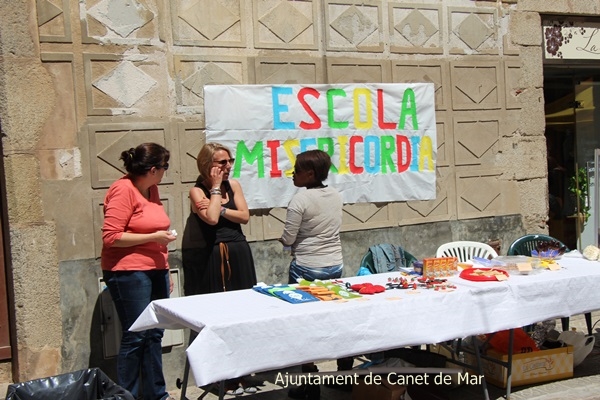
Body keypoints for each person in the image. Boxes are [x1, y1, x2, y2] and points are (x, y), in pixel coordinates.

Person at [101, 142, 176, 400]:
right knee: (136, 336)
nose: (166, 171)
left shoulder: (150, 189)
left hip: (155, 270)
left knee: (155, 334)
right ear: (154, 169)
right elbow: (112, 237)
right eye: (165, 166)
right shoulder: (123, 190)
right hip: (128, 272)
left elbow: (157, 232)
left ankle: (157, 394)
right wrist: (153, 237)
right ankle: (127, 396)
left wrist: (164, 268)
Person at [182, 142, 257, 394]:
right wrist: (215, 190)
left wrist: (221, 207)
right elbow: (211, 219)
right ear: (207, 165)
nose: (228, 167)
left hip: (238, 250)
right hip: (214, 254)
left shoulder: (234, 185)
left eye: (230, 161)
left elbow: (245, 216)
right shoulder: (197, 191)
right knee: (220, 314)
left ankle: (243, 370)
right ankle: (221, 373)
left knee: (243, 310)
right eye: (221, 162)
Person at [279, 149, 351, 400]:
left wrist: (286, 240)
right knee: (337, 319)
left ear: (309, 174)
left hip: (306, 268)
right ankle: (345, 374)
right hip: (334, 265)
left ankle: (310, 381)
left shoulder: (300, 200)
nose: (292, 175)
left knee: (303, 324)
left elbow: (288, 237)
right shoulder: (335, 195)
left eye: (296, 170)